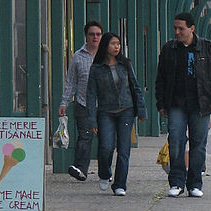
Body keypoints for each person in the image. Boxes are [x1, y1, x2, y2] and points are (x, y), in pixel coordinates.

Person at [155, 11, 211, 197]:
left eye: (181, 28)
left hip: (201, 104)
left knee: (198, 143)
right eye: (175, 28)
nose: (177, 32)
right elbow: (160, 78)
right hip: (176, 103)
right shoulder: (169, 49)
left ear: (192, 28)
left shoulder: (207, 48)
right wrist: (161, 102)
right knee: (176, 140)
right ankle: (176, 182)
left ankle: (195, 183)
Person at [85, 32, 146, 195]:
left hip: (126, 110)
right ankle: (105, 173)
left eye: (118, 43)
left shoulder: (125, 65)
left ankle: (120, 184)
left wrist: (141, 110)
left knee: (124, 149)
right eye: (113, 43)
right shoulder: (96, 69)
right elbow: (91, 95)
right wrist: (92, 120)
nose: (116, 47)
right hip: (105, 111)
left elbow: (135, 87)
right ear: (105, 46)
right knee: (106, 146)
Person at [59, 19, 103, 182]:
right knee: (85, 136)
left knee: (106, 140)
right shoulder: (78, 56)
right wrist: (64, 102)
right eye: (92, 34)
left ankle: (105, 171)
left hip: (104, 105)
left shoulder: (107, 55)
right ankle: (80, 169)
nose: (95, 37)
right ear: (86, 36)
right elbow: (71, 81)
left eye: (98, 34)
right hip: (83, 103)